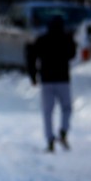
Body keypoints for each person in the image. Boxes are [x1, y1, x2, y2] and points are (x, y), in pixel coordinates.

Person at [27, 15, 76, 152]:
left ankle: (50, 140)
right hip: (63, 80)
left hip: (47, 80)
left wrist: (33, 76)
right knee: (66, 108)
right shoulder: (66, 39)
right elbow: (72, 54)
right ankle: (63, 131)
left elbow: (31, 56)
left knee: (47, 112)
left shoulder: (42, 40)